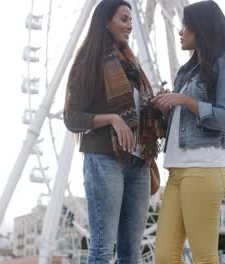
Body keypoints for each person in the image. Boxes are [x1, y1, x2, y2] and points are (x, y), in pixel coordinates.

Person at [63, 0, 164, 263]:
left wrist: (156, 105)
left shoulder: (133, 67)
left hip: (140, 162)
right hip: (104, 160)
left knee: (131, 253)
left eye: (131, 19)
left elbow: (138, 113)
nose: (130, 25)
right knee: (102, 249)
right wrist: (111, 119)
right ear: (106, 21)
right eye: (124, 19)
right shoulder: (89, 61)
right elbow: (72, 118)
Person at [151, 1, 225, 263]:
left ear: (201, 28)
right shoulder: (185, 73)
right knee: (165, 257)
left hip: (204, 168)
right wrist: (166, 106)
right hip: (177, 170)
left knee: (204, 256)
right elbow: (179, 125)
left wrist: (185, 101)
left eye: (186, 25)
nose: (181, 31)